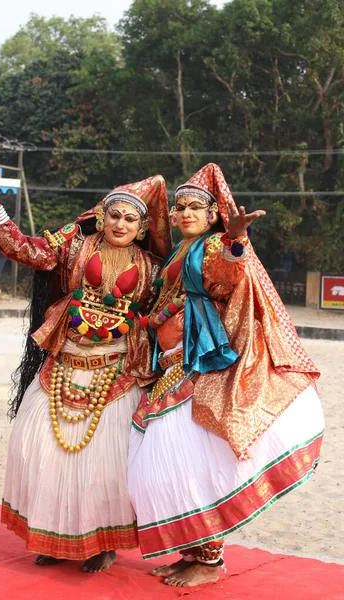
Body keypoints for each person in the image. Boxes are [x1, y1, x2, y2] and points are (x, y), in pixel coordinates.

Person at [0, 158, 171, 572]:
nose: (121, 223)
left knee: (106, 463)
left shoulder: (155, 269)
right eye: (115, 215)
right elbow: (22, 248)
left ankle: (102, 543)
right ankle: (54, 538)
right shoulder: (74, 246)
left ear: (142, 228)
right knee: (40, 450)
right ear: (101, 216)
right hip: (62, 364)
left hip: (117, 374)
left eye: (130, 219)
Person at [128, 162, 324, 587]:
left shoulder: (215, 245)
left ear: (214, 214)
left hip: (198, 360)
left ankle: (211, 561)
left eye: (195, 207)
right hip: (172, 360)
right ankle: (191, 553)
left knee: (194, 459)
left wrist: (237, 239)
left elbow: (228, 273)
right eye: (179, 207)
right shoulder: (179, 250)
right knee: (172, 461)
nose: (183, 214)